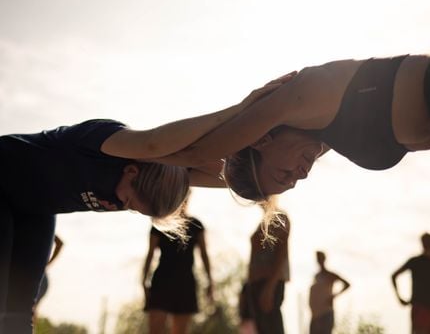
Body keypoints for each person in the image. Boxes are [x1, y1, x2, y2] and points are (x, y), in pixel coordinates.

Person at [163, 49, 430, 333]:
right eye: (291, 181)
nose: (299, 175)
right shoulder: (321, 137)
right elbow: (205, 169)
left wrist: (134, 159)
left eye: (284, 173)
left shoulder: (304, 99)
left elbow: (194, 154)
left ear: (261, 140)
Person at [0, 81, 289, 334]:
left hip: (36, 209)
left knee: (20, 306)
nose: (125, 207)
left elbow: (229, 175)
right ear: (132, 173)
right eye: (132, 203)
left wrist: (270, 178)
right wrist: (240, 109)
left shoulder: (163, 175)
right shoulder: (106, 141)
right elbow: (153, 144)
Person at [142, 192, 213, 334]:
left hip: (185, 282)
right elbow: (150, 254)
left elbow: (204, 254)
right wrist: (143, 280)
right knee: (155, 329)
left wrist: (210, 281)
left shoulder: (196, 225)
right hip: (162, 281)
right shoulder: (160, 223)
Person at [245, 203, 290, 334]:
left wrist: (270, 287)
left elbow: (281, 254)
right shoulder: (263, 222)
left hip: (268, 283)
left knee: (271, 326)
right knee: (262, 328)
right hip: (256, 283)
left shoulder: (279, 218)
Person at [391, 233, 430, 334]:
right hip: (421, 307)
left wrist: (400, 298)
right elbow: (394, 276)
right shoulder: (419, 262)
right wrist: (399, 298)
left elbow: (394, 276)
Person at [309, 251, 350, 334]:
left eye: (320, 258)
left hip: (325, 313)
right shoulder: (316, 276)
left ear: (324, 259)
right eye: (317, 258)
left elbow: (347, 284)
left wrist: (334, 296)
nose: (319, 260)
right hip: (315, 314)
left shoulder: (330, 275)